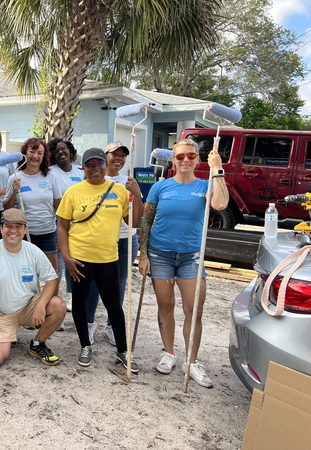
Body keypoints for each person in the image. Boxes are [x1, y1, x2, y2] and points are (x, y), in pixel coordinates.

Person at [138, 138, 229, 388]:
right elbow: (146, 221)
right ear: (173, 161)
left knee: (194, 309)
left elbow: (221, 204)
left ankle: (192, 361)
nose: (185, 160)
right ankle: (169, 353)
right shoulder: (161, 187)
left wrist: (217, 169)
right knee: (165, 306)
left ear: (198, 160)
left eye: (190, 156)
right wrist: (143, 255)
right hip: (160, 254)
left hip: (191, 256)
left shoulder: (205, 184)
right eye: (180, 157)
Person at [57, 148, 142, 371]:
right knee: (80, 303)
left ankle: (123, 351)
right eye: (90, 164)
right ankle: (85, 345)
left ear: (106, 164)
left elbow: (133, 222)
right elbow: (62, 226)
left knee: (114, 304)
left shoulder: (120, 191)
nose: (95, 168)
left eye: (99, 163)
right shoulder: (73, 192)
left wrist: (138, 195)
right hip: (80, 259)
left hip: (108, 258)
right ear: (83, 168)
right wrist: (66, 257)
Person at [0, 208, 66, 366]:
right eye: (8, 226)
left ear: (25, 229)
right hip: (1, 313)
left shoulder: (33, 251)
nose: (13, 231)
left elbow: (52, 280)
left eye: (18, 226)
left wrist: (41, 305)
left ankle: (38, 343)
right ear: (1, 228)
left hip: (29, 306)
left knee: (58, 305)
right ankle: (6, 336)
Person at [85, 141, 142, 346]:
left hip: (127, 239)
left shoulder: (129, 182)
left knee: (118, 285)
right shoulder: (95, 177)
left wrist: (136, 193)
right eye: (114, 154)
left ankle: (111, 325)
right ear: (104, 156)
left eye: (122, 155)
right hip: (100, 241)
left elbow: (138, 216)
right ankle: (89, 323)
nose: (118, 158)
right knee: (92, 285)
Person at [3, 138, 62, 273]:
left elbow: (59, 208)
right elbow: (7, 209)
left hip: (47, 233)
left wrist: (59, 234)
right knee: (24, 273)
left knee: (51, 273)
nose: (35, 156)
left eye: (40, 153)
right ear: (25, 153)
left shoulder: (51, 177)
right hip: (23, 233)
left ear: (44, 156)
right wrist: (14, 192)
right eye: (32, 151)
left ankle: (49, 295)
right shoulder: (15, 177)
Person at [49, 138, 82, 314]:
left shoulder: (80, 171)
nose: (61, 152)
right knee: (59, 265)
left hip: (79, 226)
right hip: (60, 223)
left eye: (63, 149)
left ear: (70, 151)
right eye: (56, 151)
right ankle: (55, 301)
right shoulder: (51, 172)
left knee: (74, 263)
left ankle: (71, 297)